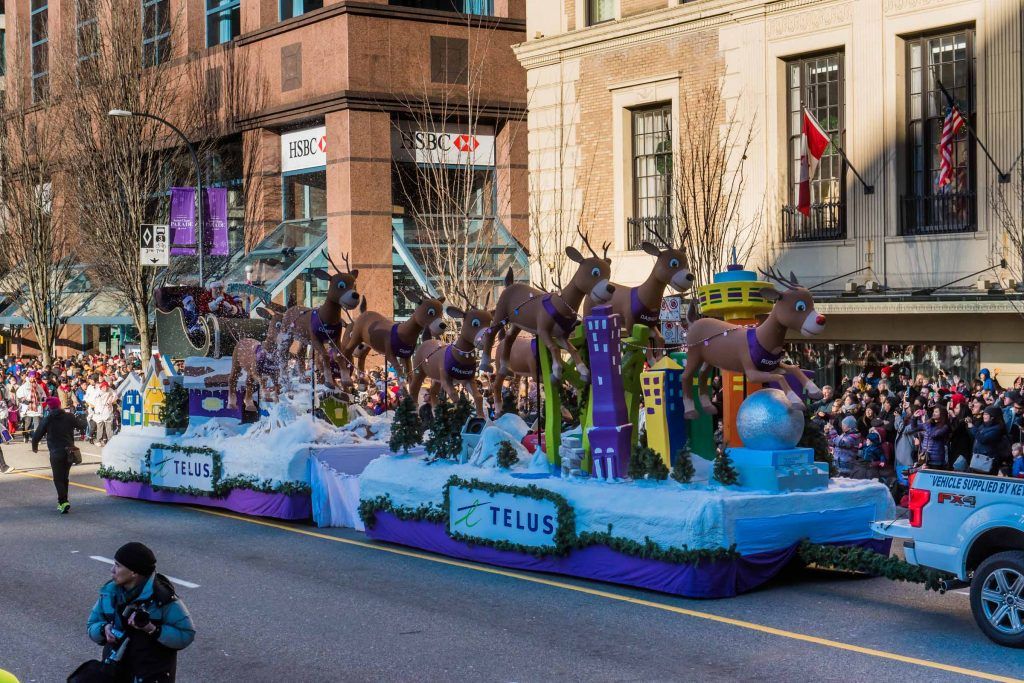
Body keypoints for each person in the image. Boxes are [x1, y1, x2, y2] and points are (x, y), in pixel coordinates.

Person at [87, 542, 196, 682]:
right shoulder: (109, 593)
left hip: (150, 676)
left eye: (118, 565)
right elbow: (92, 624)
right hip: (114, 672)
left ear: (134, 572)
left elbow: (186, 634)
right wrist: (103, 629)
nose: (112, 570)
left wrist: (153, 629)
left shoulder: (163, 599)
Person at [31, 396, 87, 514]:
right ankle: (64, 501)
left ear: (49, 407)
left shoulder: (47, 419)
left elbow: (37, 435)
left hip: (56, 452)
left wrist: (34, 447)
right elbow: (82, 426)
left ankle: (63, 502)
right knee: (64, 477)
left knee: (58, 478)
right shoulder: (69, 416)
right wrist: (83, 416)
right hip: (69, 451)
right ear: (60, 404)